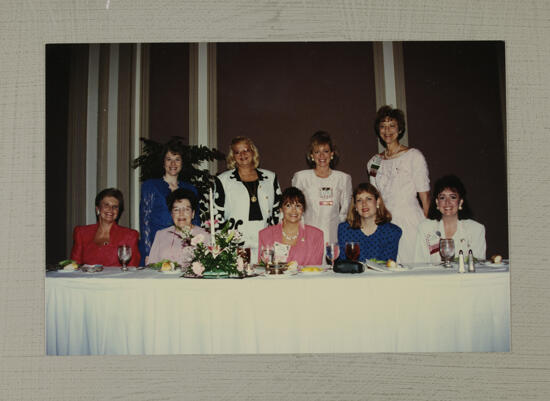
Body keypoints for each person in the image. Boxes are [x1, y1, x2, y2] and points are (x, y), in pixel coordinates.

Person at [366, 105, 430, 263]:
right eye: (383, 126)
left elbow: (425, 197)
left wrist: (429, 229)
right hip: (385, 224)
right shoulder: (374, 162)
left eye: (392, 125)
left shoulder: (414, 156)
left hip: (411, 222)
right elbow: (375, 197)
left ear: (400, 129)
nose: (387, 130)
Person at [139, 140, 200, 265]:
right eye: (168, 159)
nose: (173, 163)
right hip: (158, 246)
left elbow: (196, 221)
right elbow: (145, 221)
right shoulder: (150, 186)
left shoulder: (191, 189)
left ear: (182, 163)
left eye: (177, 159)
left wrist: (197, 249)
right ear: (163, 162)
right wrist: (148, 252)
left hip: (184, 246)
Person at [291, 131, 352, 245]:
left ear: (332, 154)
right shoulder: (301, 177)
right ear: (311, 155)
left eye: (326, 151)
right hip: (306, 237)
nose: (322, 156)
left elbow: (344, 213)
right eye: (317, 152)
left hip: (333, 237)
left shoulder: (343, 179)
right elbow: (296, 210)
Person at [414, 175, 486, 263]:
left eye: (453, 197)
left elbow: (478, 266)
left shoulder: (476, 229)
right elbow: (419, 264)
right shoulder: (425, 228)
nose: (447, 202)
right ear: (437, 202)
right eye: (442, 197)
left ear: (460, 202)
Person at [70, 188, 140, 266]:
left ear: (118, 212)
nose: (110, 209)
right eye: (106, 205)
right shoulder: (81, 233)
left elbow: (132, 269)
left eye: (115, 207)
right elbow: (74, 265)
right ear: (98, 209)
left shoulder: (130, 235)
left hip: (117, 278)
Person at [258, 187, 324, 265]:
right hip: (275, 277)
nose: (294, 210)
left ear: (303, 210)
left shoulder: (316, 235)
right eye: (288, 205)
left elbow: (315, 269)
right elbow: (263, 267)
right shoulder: (265, 235)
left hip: (305, 277)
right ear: (281, 209)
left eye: (298, 206)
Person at [337, 183, 402, 262]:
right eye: (359, 200)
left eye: (368, 199)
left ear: (377, 202)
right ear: (355, 206)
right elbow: (344, 264)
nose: (364, 204)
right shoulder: (344, 230)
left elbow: (386, 265)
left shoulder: (392, 232)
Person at [148, 188, 210, 268]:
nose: (181, 214)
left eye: (186, 210)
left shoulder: (205, 235)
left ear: (193, 213)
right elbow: (151, 265)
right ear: (171, 214)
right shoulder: (161, 235)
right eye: (176, 210)